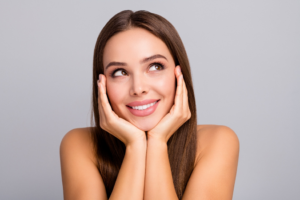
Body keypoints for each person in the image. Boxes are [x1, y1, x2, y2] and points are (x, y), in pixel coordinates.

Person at [60, 10, 239, 200]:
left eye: (155, 66)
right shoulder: (79, 144)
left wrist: (157, 142)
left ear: (179, 74)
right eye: (120, 72)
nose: (138, 88)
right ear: (101, 84)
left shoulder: (217, 141)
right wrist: (135, 146)